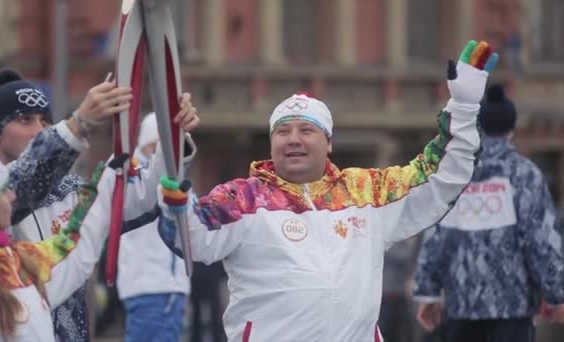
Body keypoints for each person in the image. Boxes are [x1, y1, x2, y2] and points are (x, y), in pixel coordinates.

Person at [158, 41, 498, 341]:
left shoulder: (367, 192)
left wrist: (464, 109)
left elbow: (437, 177)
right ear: (272, 142)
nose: (293, 139)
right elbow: (193, 235)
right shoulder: (244, 199)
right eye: (283, 131)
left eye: (307, 130)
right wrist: (177, 199)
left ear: (329, 142)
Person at [0, 68, 132, 341]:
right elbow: (22, 184)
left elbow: (136, 202)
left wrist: (169, 143)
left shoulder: (73, 191)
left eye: (45, 121)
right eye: (25, 120)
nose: (39, 130)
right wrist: (79, 123)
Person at [413, 84, 564, 342]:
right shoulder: (523, 174)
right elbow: (540, 238)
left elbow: (437, 233)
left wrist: (429, 292)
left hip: (461, 307)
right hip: (512, 310)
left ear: (479, 125)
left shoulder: (457, 173)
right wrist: (556, 294)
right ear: (512, 129)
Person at [0, 144, 117, 341]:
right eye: (1, 191)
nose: (12, 196)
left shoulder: (19, 262)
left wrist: (110, 179)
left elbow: (74, 246)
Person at [117, 113, 195, 342]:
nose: (163, 153)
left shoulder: (155, 177)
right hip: (155, 287)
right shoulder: (139, 178)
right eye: (156, 146)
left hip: (160, 288)